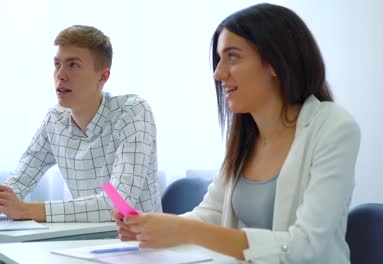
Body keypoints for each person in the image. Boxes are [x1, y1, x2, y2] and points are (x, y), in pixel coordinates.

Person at [113, 3, 360, 263]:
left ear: (276, 62)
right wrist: (151, 226)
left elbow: (306, 247)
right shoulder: (245, 136)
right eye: (219, 59)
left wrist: (185, 230)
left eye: (232, 57)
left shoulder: (334, 127)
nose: (218, 73)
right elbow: (211, 214)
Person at [0, 25, 162, 223]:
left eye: (73, 65)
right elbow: (19, 181)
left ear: (103, 76)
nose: (60, 75)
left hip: (138, 246)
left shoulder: (132, 111)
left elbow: (120, 203)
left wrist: (26, 210)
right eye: (57, 65)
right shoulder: (55, 119)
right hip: (81, 241)